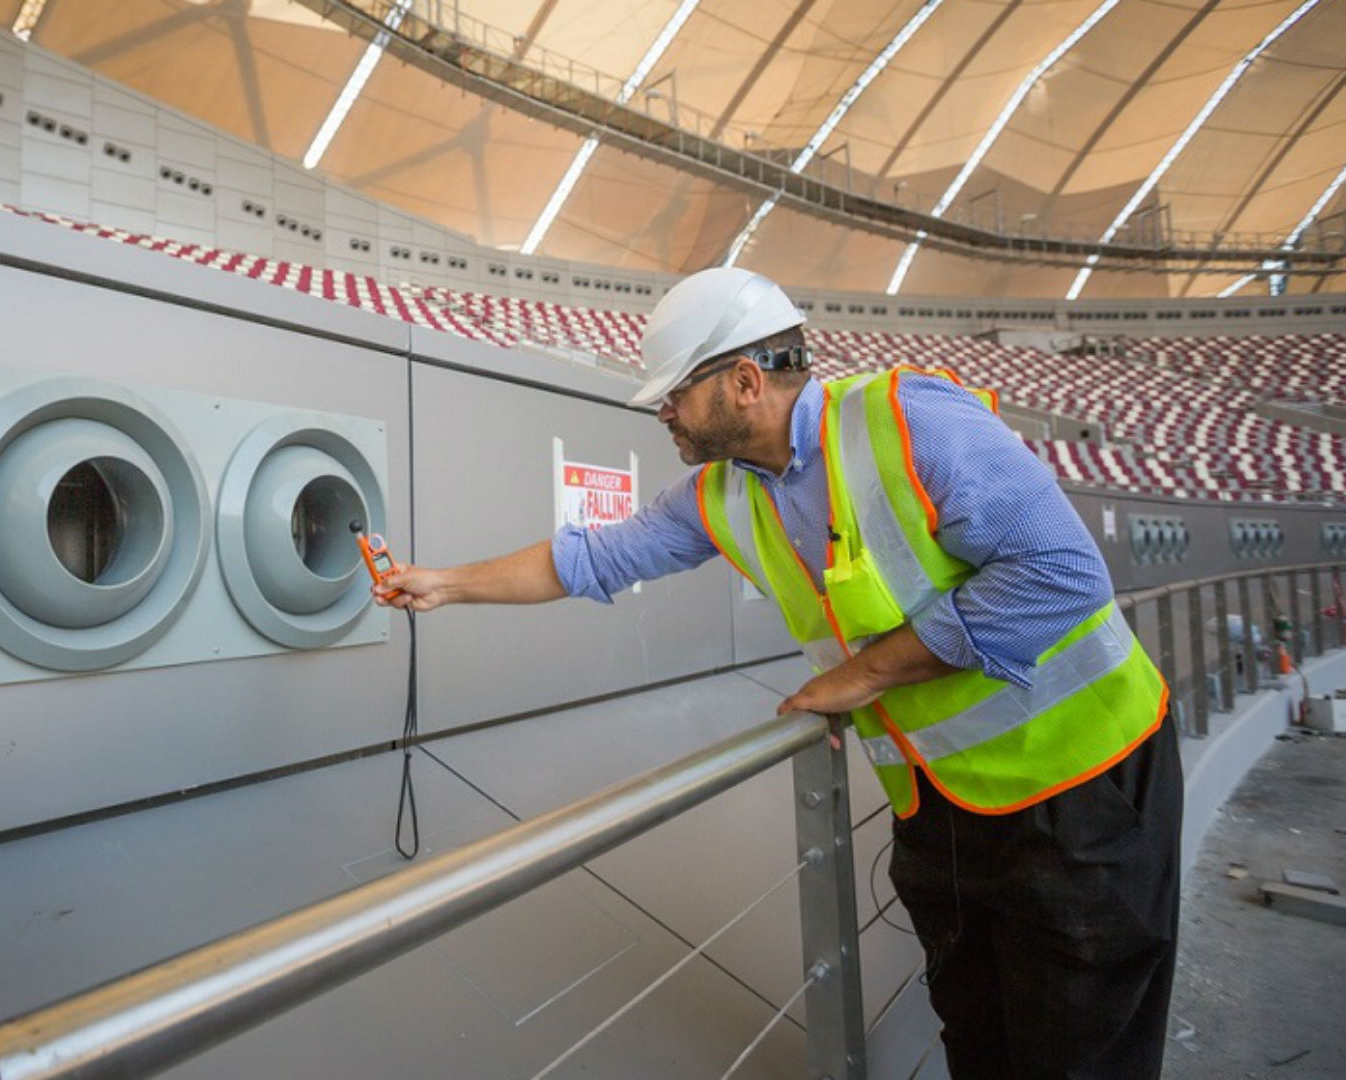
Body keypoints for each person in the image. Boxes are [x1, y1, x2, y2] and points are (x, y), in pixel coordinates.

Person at [373, 267, 1183, 1080]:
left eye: (675, 397)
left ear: (745, 382)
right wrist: (442, 583)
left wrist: (863, 676)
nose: (665, 416)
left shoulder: (911, 422)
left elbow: (1059, 573)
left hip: (1084, 793)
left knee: (1082, 1057)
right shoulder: (721, 495)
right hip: (943, 816)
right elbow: (594, 557)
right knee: (983, 1046)